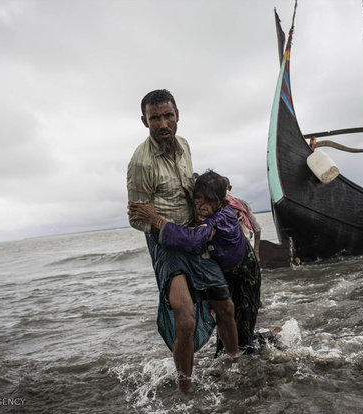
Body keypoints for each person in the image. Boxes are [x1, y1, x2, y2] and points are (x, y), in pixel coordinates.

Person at [126, 89, 239, 393]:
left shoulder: (185, 146)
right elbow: (137, 218)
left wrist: (224, 204)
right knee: (186, 319)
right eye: (155, 118)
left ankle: (235, 365)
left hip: (194, 235)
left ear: (178, 116)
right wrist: (164, 226)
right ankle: (185, 389)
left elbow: (192, 189)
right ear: (144, 121)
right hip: (167, 244)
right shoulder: (141, 163)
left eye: (168, 115)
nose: (162, 123)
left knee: (225, 306)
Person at [129, 170, 276, 357]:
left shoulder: (221, 217)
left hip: (245, 275)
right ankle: (226, 364)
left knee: (244, 340)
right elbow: (191, 178)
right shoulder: (207, 208)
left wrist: (155, 220)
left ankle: (271, 337)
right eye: (198, 199)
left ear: (221, 203)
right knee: (225, 335)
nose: (201, 207)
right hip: (225, 275)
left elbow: (192, 239)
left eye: (209, 202)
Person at [222, 176, 262, 263]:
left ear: (229, 188)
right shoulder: (215, 204)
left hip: (242, 246)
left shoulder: (241, 204)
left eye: (223, 186)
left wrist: (256, 252)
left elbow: (257, 229)